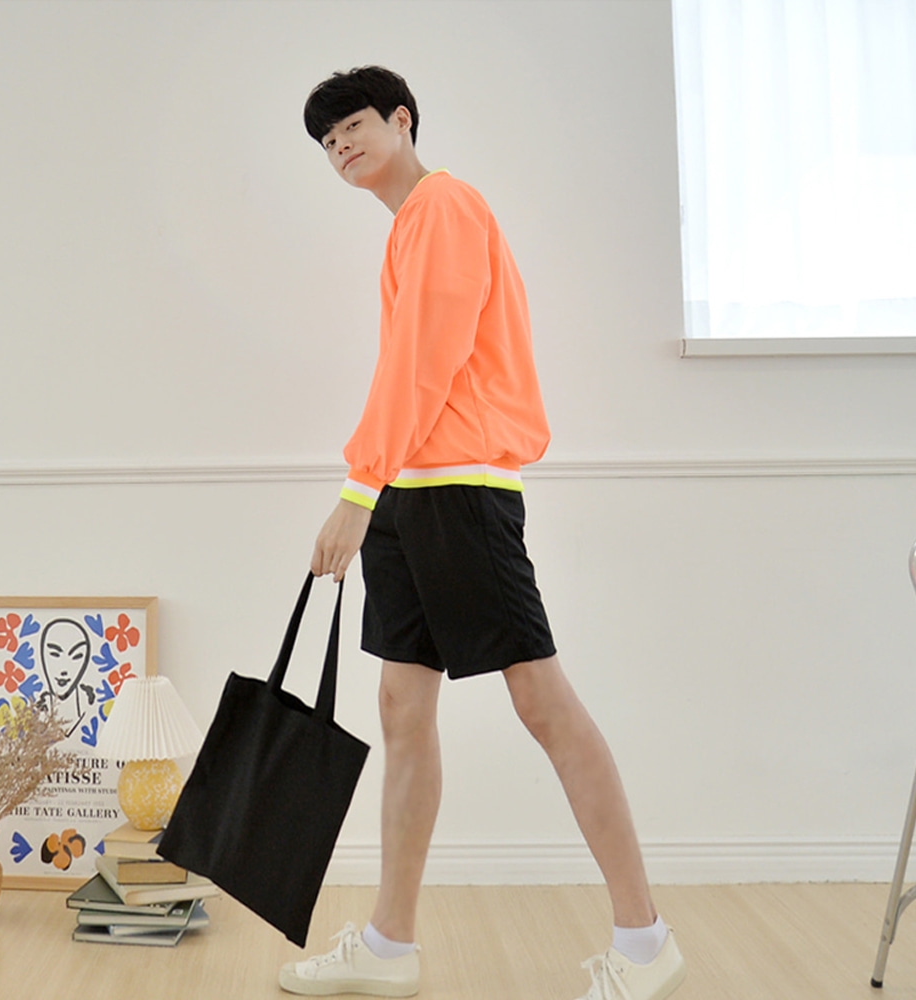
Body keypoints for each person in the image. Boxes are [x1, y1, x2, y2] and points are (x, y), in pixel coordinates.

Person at [280, 65, 686, 1000]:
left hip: (458, 491)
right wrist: (378, 489)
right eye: (327, 142)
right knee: (402, 707)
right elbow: (409, 368)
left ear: (402, 119)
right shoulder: (408, 226)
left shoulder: (445, 207)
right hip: (412, 492)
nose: (340, 148)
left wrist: (357, 487)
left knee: (540, 700)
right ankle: (390, 945)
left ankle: (644, 940)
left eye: (352, 126)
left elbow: (426, 361)